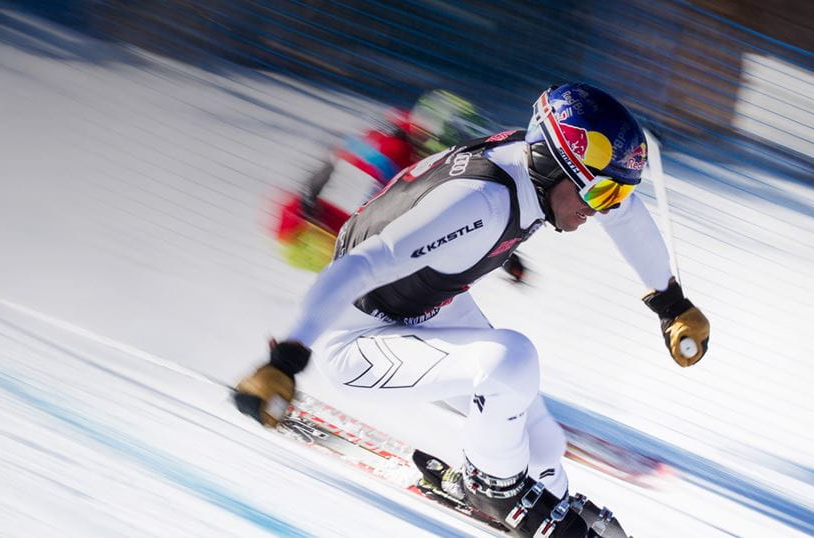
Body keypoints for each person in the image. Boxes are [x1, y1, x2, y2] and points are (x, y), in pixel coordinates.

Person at [237, 83, 711, 536]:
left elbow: (625, 216)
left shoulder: (537, 171)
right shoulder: (479, 201)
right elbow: (358, 267)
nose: (604, 208)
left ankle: (523, 486)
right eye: (603, 193)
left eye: (618, 193)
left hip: (426, 305)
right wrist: (286, 360)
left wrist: (671, 304)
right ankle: (492, 488)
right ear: (556, 165)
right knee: (511, 361)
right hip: (355, 339)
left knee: (545, 445)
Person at [274, 90, 523, 277]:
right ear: (435, 138)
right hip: (307, 235)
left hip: (321, 226)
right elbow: (360, 222)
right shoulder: (389, 153)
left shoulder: (410, 134)